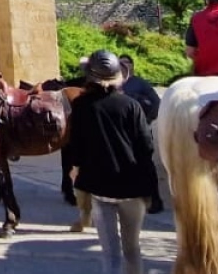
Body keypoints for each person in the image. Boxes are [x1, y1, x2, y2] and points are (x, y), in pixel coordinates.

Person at [67, 49, 159, 274]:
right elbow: (146, 146)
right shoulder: (131, 105)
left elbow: (75, 147)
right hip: (133, 187)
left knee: (110, 252)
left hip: (100, 187)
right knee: (132, 248)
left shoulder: (81, 106)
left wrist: (76, 169)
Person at [116, 54, 166, 214]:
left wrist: (148, 120)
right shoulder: (112, 84)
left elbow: (156, 103)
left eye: (127, 63)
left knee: (145, 166)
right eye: (121, 63)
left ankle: (154, 200)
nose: (124, 66)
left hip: (140, 130)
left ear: (132, 66)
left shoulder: (140, 84)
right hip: (119, 132)